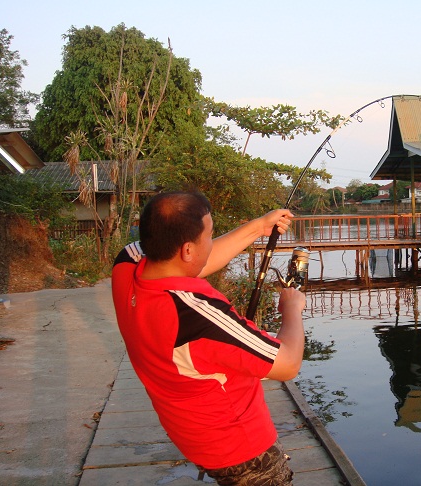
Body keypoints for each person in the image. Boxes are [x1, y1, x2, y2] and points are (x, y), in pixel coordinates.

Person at [111, 191, 305, 485]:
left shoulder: (128, 264)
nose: (212, 242)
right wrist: (292, 310)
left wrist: (258, 227)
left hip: (194, 435)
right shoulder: (194, 315)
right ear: (188, 249)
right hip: (243, 453)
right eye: (210, 235)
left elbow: (194, 261)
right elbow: (288, 364)